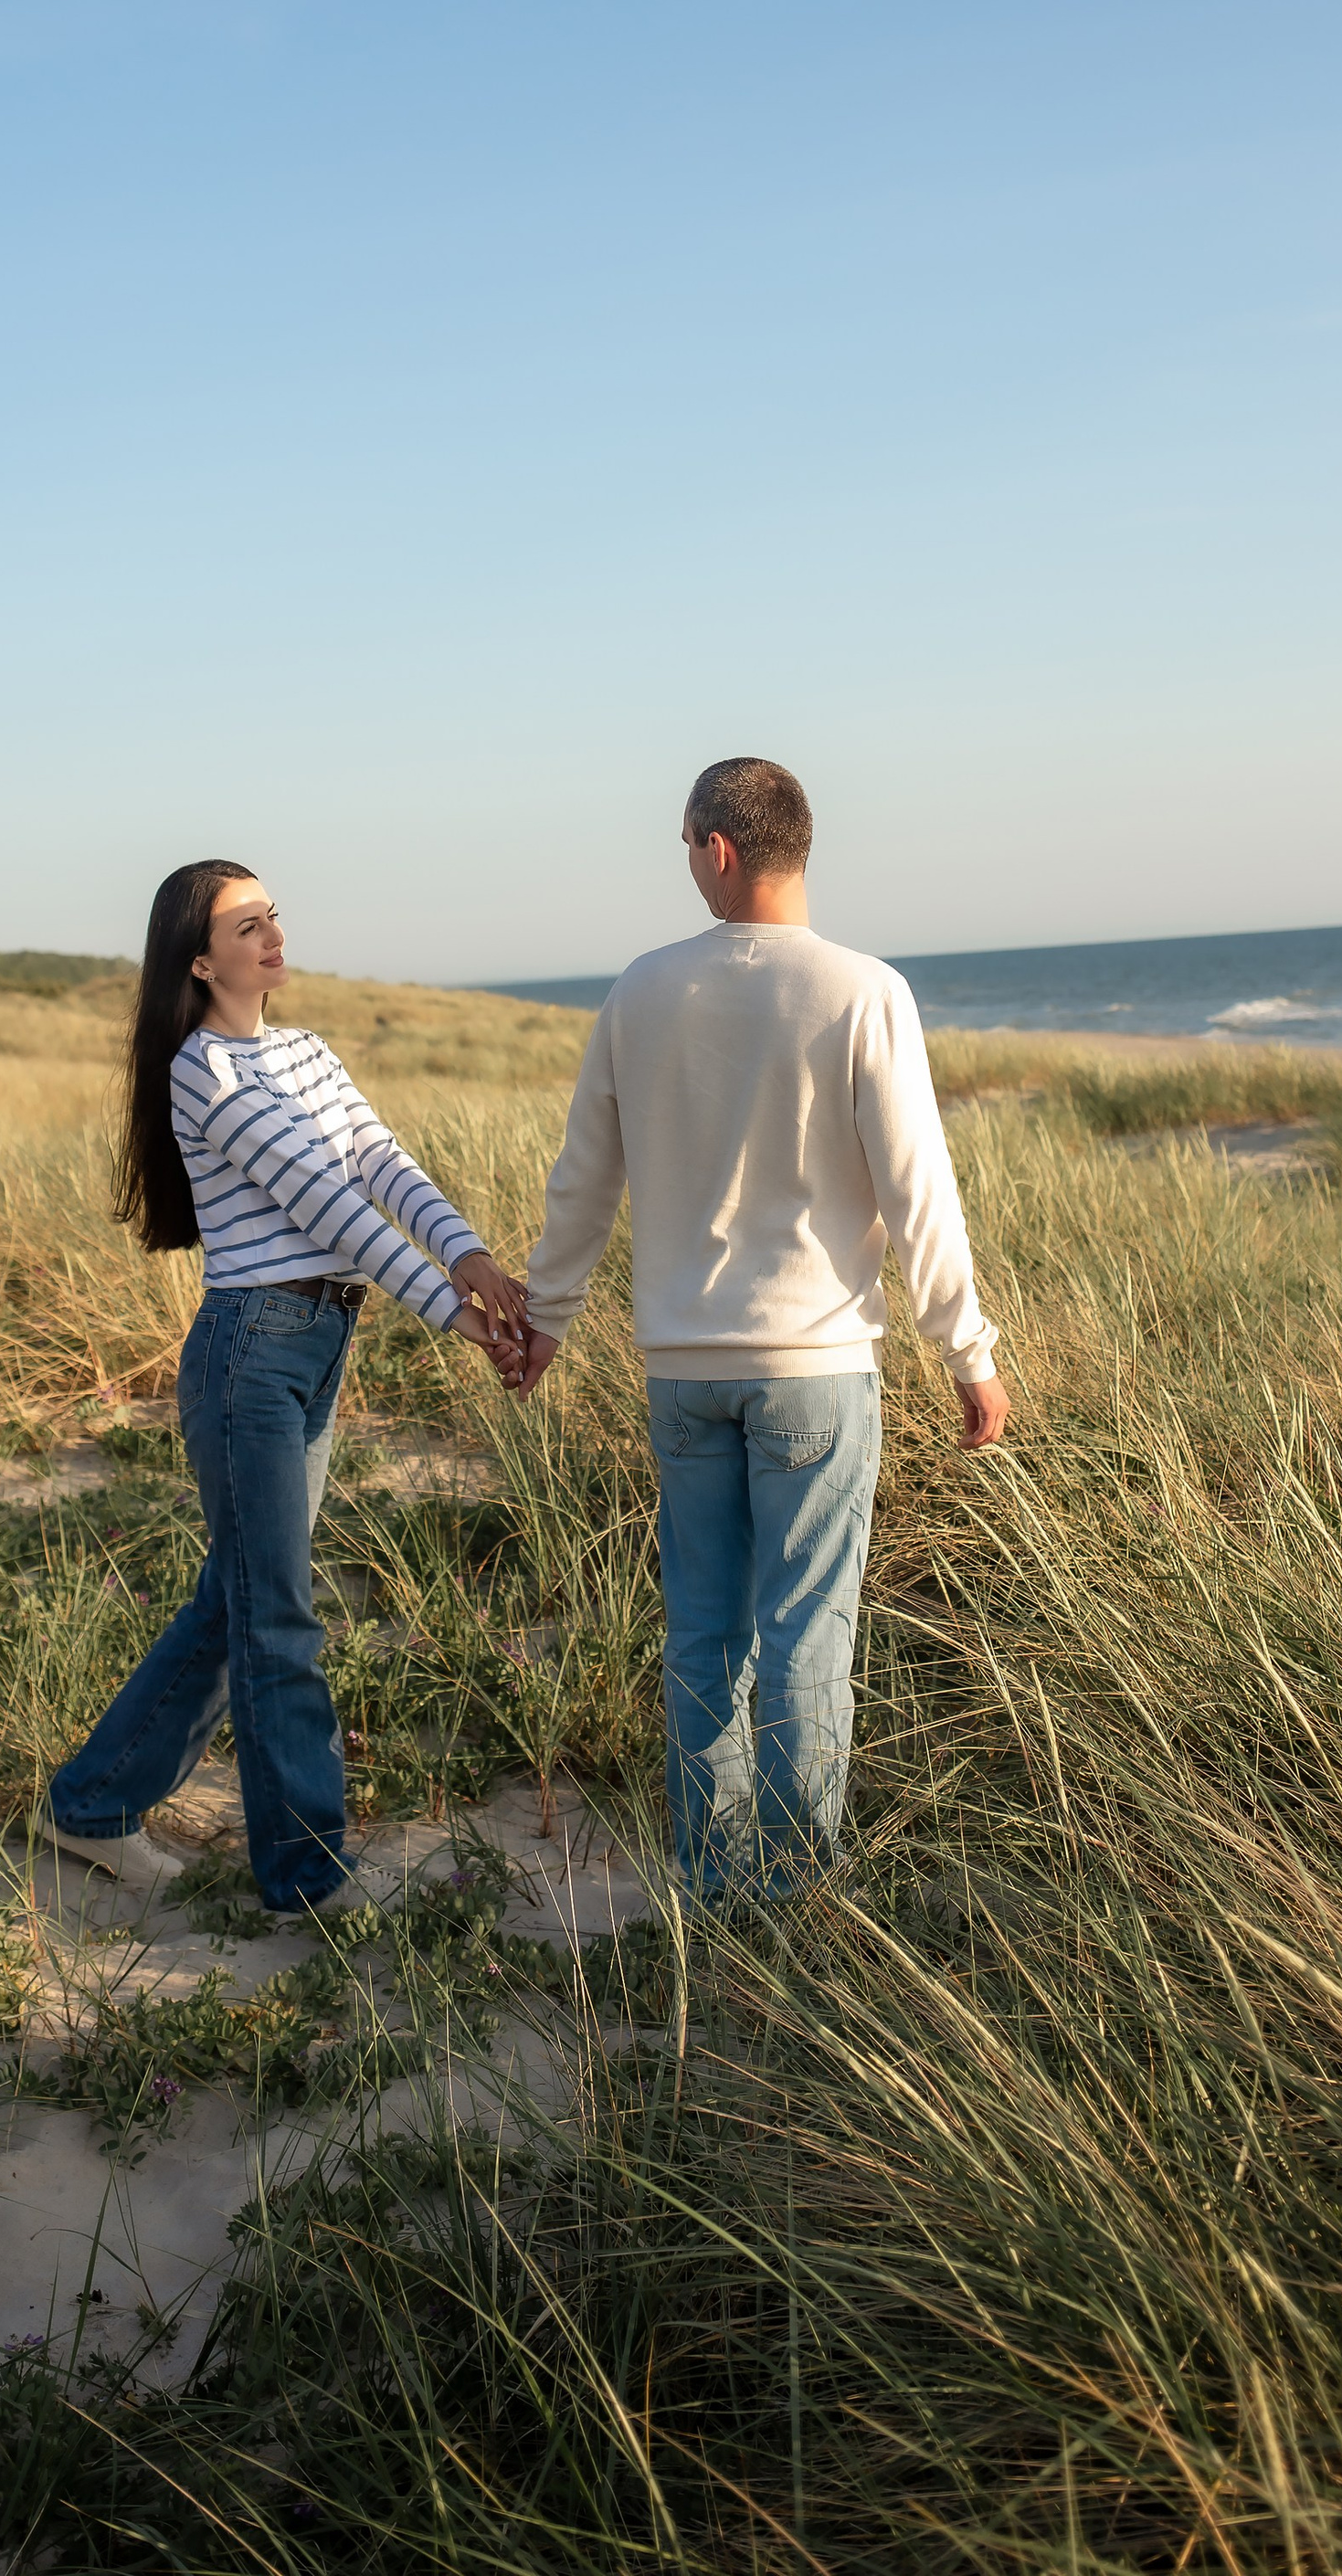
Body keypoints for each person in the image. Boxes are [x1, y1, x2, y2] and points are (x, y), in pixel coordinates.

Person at [512, 760, 1009, 1893]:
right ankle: (798, 1887)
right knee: (804, 1633)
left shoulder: (641, 991)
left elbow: (582, 1181)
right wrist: (965, 1352)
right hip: (814, 1365)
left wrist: (547, 1317)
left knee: (704, 1635)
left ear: (720, 848)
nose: (688, 863)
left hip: (683, 1372)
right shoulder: (862, 990)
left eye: (686, 843)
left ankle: (714, 1876)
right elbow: (914, 1189)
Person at [37, 859, 524, 1913]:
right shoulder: (203, 1074)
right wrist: (453, 1316)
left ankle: (89, 1806)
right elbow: (328, 1211)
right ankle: (307, 1876)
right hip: (250, 1353)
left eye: (273, 915)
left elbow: (380, 1165)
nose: (270, 933)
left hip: (317, 1343)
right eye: (244, 923)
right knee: (280, 1617)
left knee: (244, 1596)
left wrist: (472, 1257)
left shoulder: (305, 1053)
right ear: (200, 959)